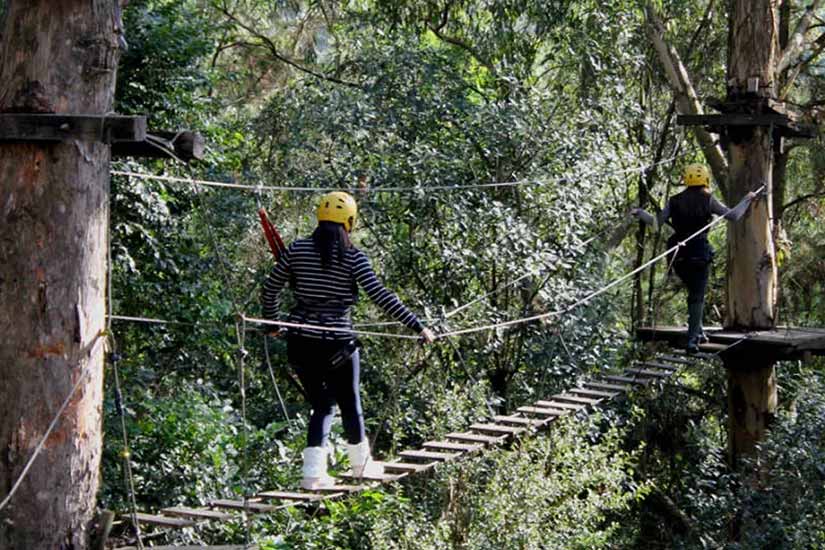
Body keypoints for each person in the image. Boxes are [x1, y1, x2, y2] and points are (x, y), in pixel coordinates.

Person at [262, 191, 436, 489]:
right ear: (350, 222)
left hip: (301, 341)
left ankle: (313, 475)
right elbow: (380, 295)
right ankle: (361, 465)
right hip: (338, 344)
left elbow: (270, 288)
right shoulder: (353, 257)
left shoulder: (297, 250)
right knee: (350, 402)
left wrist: (273, 323)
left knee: (321, 405)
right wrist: (418, 326)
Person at [631, 164, 757, 354]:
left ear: (686, 180)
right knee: (697, 297)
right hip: (698, 254)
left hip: (678, 255)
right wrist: (747, 199)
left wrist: (640, 213)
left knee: (693, 294)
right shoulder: (708, 200)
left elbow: (656, 223)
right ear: (705, 180)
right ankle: (692, 341)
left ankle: (698, 332)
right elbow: (734, 215)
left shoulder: (674, 201)